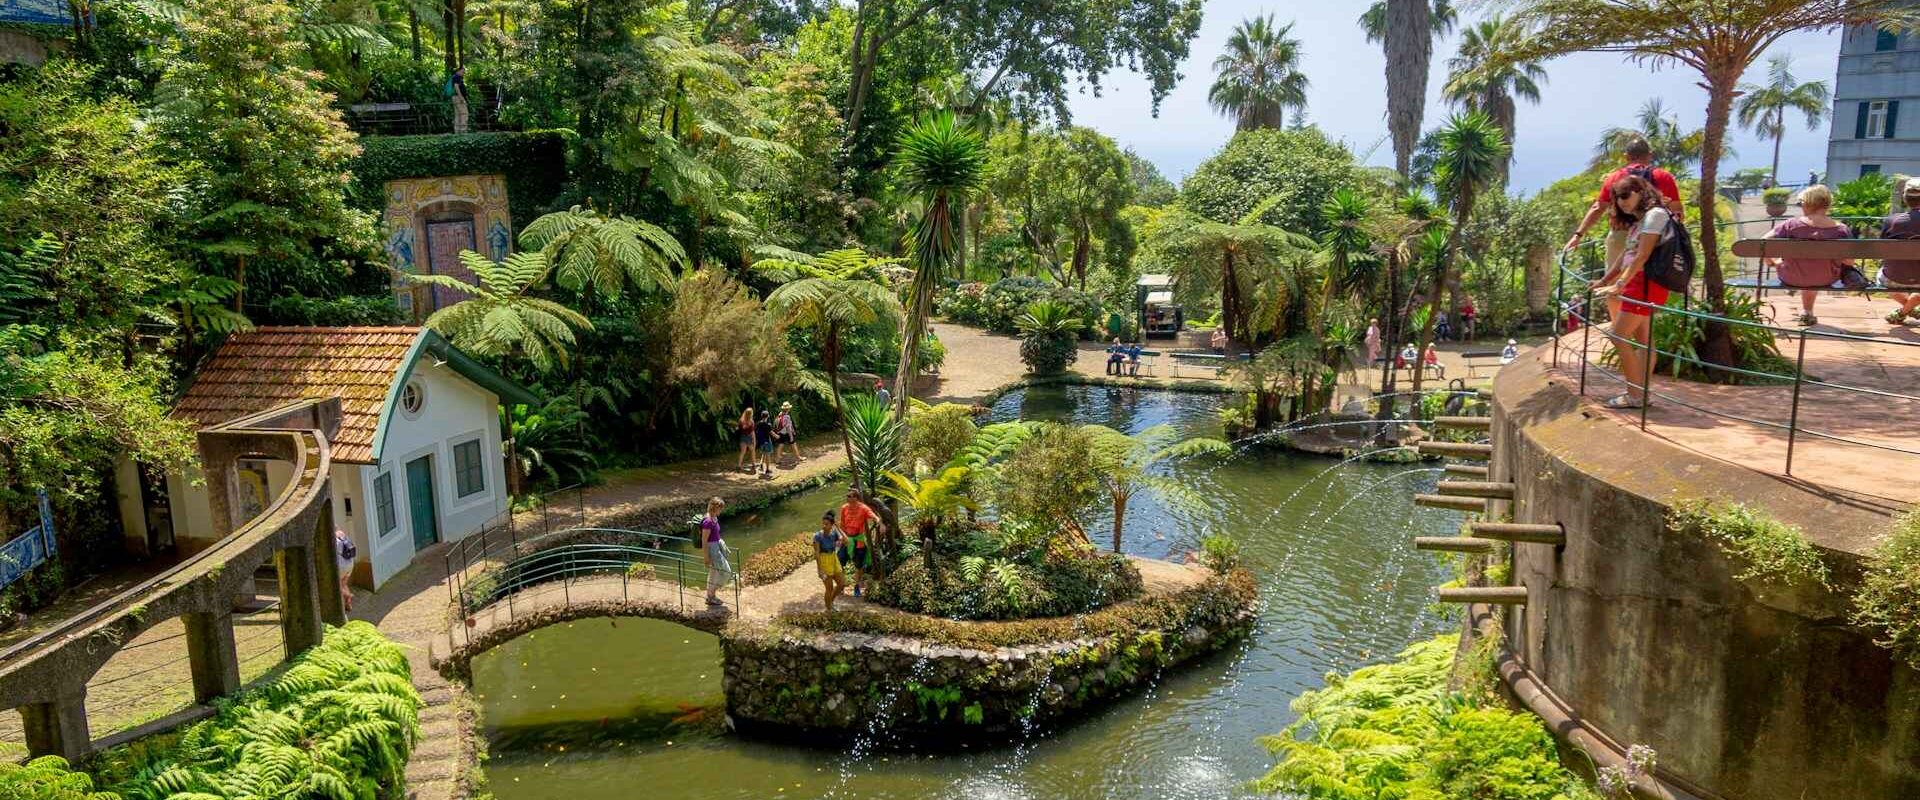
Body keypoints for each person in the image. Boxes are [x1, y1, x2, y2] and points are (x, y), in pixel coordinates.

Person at [1589, 174, 1671, 409]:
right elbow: (1627, 255)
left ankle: (1635, 395)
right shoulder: (1639, 221)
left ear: (1640, 192)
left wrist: (1620, 283)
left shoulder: (1655, 215)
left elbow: (1643, 255)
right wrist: (1604, 280)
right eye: (1617, 198)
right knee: (1643, 340)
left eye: (1626, 195)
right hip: (1638, 283)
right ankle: (1641, 392)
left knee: (1617, 336)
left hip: (1644, 284)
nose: (1622, 202)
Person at [1564, 135, 1686, 280]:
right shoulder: (1663, 177)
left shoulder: (1615, 178)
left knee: (1613, 281)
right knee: (1652, 281)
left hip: (1621, 234)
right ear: (1650, 155)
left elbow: (1598, 208)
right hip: (1655, 237)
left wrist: (1577, 236)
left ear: (1626, 157)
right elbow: (1677, 212)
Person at [1762, 184, 1853, 326]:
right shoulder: (1841, 230)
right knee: (1816, 267)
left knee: (1797, 264)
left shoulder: (1791, 225)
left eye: (1801, 203)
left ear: (1808, 204)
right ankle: (1808, 312)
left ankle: (1805, 309)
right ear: (1827, 205)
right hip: (1826, 278)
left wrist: (1770, 262)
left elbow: (1763, 242)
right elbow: (1849, 262)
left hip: (1791, 276)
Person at [1878, 177, 1920, 325]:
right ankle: (1910, 308)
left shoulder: (1892, 221)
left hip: (1893, 279)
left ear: (1905, 198)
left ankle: (1904, 311)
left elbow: (1881, 249)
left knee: (1881, 277)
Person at [838, 488, 881, 597]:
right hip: (847, 540)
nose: (847, 498)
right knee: (840, 561)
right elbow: (842, 524)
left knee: (859, 565)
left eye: (849, 496)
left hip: (858, 541)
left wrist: (879, 522)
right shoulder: (844, 508)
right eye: (847, 496)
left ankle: (856, 586)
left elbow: (873, 516)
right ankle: (841, 585)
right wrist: (840, 537)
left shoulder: (863, 508)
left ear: (855, 498)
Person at [813, 510, 848, 611]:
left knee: (842, 584)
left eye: (827, 524)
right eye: (823, 523)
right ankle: (829, 608)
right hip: (824, 561)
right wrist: (820, 570)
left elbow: (846, 541)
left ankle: (830, 602)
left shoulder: (834, 534)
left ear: (832, 525)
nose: (824, 526)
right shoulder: (817, 536)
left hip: (833, 559)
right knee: (829, 588)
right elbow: (817, 554)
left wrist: (838, 527)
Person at [700, 497, 730, 607]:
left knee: (713, 573)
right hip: (712, 550)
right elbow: (704, 540)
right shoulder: (708, 521)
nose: (721, 511)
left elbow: (715, 534)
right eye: (720, 508)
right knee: (726, 572)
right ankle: (711, 595)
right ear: (714, 508)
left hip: (716, 547)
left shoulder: (714, 518)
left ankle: (710, 596)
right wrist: (706, 557)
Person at [333, 529, 356, 615]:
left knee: (338, 586)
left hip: (341, 566)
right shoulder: (342, 534)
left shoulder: (333, 538)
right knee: (344, 584)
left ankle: (347, 596)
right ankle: (349, 605)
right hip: (350, 563)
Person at [754, 410, 775, 476]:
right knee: (768, 455)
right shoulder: (768, 425)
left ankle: (760, 465)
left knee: (764, 453)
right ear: (767, 416)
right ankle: (767, 469)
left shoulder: (758, 423)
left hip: (761, 442)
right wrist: (778, 436)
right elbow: (772, 433)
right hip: (767, 442)